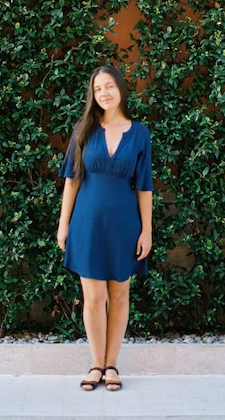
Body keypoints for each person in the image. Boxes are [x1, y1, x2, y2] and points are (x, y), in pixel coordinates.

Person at [57, 65, 153, 392]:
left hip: (125, 224)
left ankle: (112, 364)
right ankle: (96, 364)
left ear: (120, 89)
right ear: (93, 95)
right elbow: (71, 181)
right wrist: (63, 224)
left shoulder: (139, 133)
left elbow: (145, 188)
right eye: (98, 89)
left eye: (109, 86)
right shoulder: (83, 129)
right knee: (94, 296)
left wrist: (147, 231)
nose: (104, 93)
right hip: (87, 223)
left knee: (119, 292)